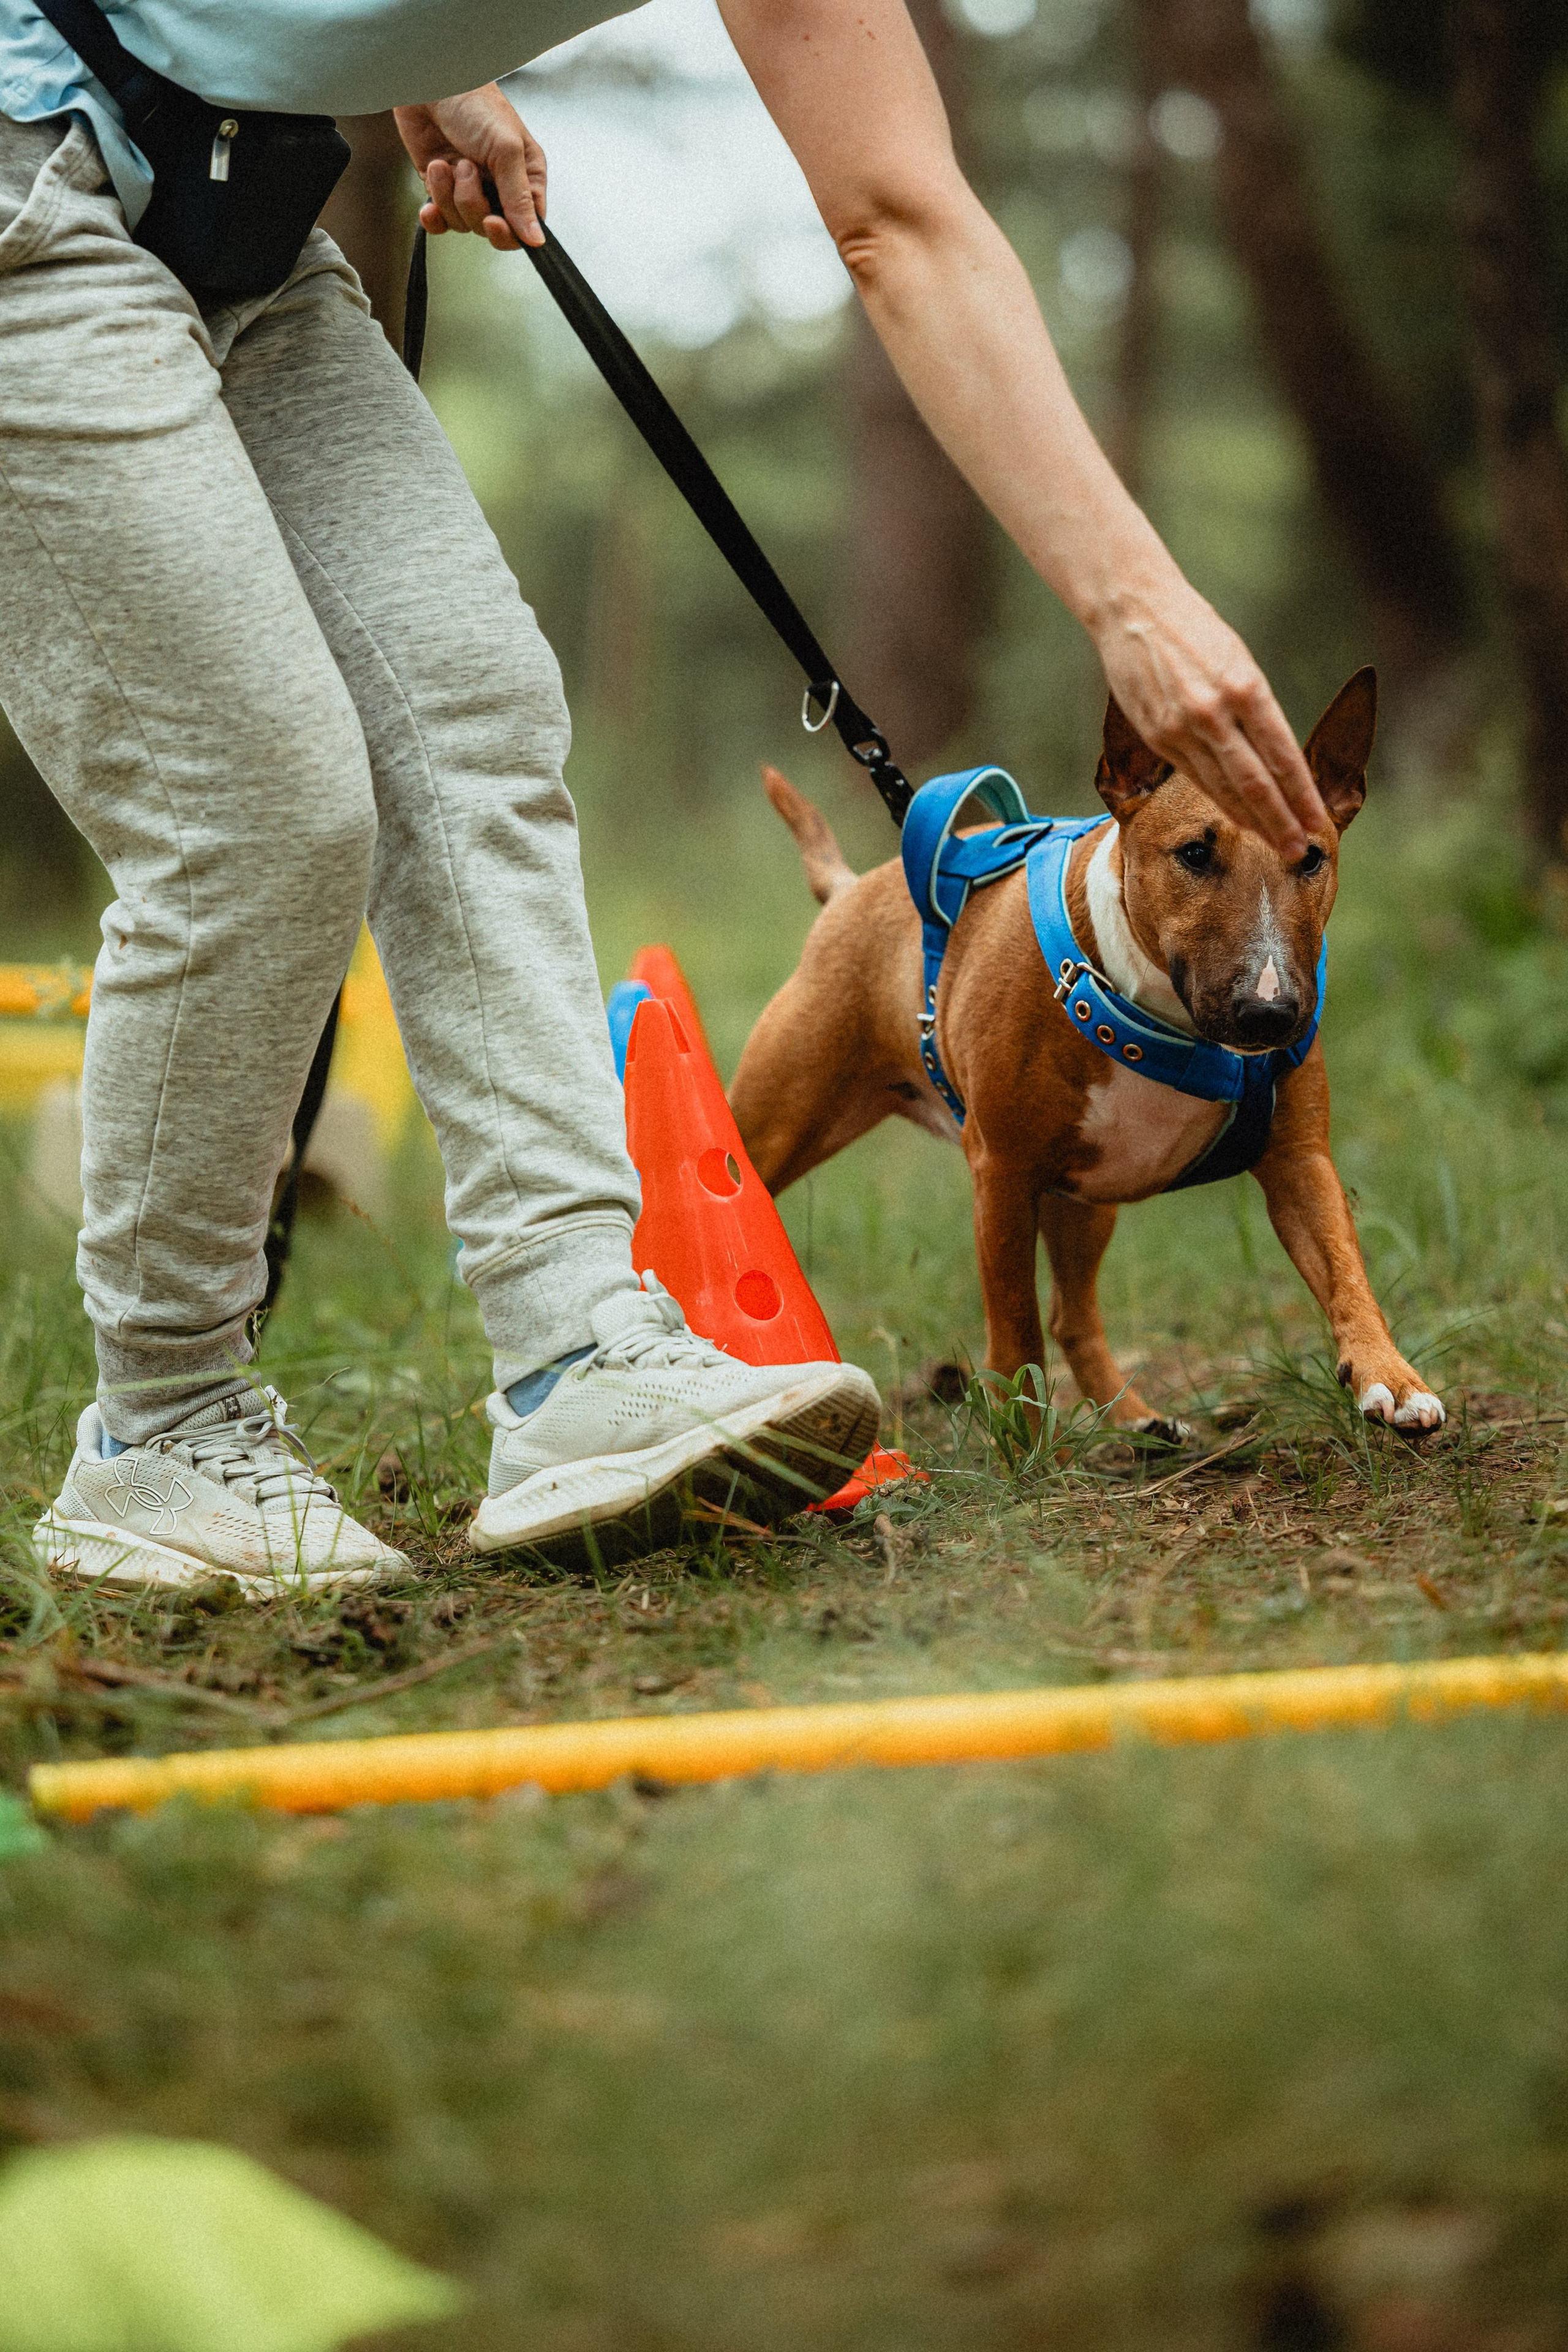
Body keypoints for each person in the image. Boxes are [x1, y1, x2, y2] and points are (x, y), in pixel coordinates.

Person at [1, 0, 1330, 1595]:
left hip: (245, 215)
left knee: (473, 728)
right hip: (30, 174)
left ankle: (578, 1346)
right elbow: (898, 223)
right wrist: (1130, 598)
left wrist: (424, 69)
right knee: (262, 811)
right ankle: (160, 1425)